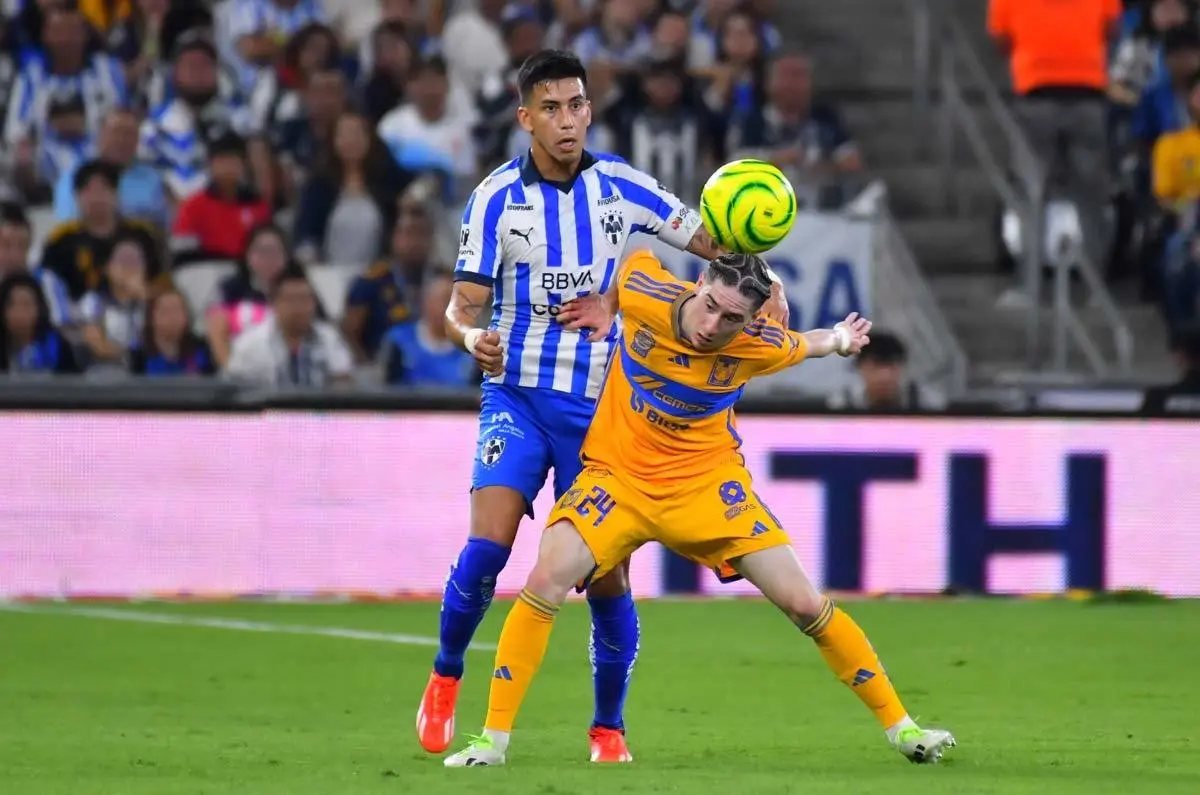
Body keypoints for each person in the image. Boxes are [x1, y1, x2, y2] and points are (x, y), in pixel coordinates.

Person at [416, 48, 788, 764]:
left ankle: (607, 727)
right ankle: (445, 672)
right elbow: (458, 308)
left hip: (600, 415)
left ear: (590, 109)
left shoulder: (622, 187)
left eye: (577, 105)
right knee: (488, 547)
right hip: (517, 396)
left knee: (604, 576)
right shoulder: (495, 198)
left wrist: (762, 275)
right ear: (525, 117)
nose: (567, 120)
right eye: (551, 108)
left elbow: (712, 240)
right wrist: (472, 337)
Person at [443, 251, 956, 767]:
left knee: (804, 603)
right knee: (545, 580)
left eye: (732, 318)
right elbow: (629, 262)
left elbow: (812, 343)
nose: (713, 326)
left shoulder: (759, 344)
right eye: (710, 305)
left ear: (749, 321)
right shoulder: (647, 291)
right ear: (699, 284)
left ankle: (904, 729)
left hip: (706, 487)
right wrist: (607, 306)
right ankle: (493, 742)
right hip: (617, 479)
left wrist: (844, 339)